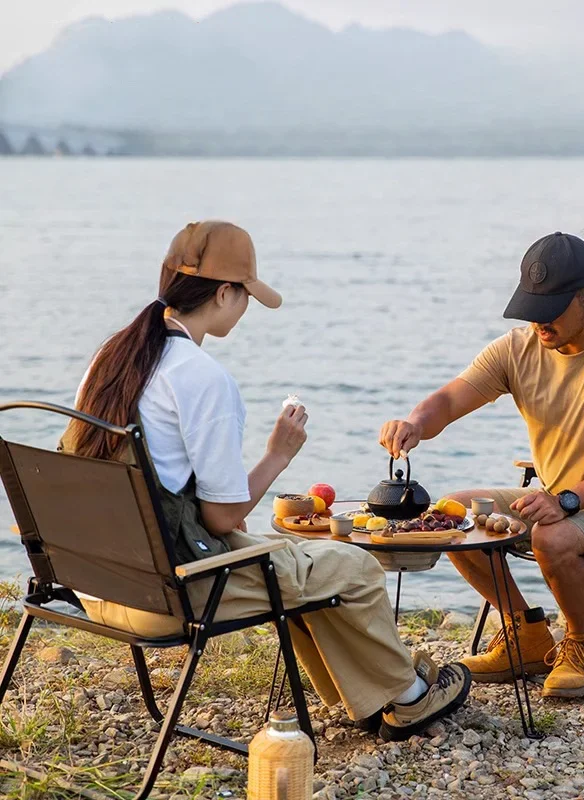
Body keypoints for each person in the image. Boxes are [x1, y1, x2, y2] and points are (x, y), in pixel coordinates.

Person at [61, 220, 471, 740]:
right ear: (225, 293)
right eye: (247, 295)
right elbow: (223, 516)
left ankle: (367, 694)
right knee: (357, 567)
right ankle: (409, 699)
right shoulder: (202, 377)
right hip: (168, 598)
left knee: (302, 561)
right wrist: (278, 454)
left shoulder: (112, 360)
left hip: (99, 582)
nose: (247, 307)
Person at [379, 231, 584, 698]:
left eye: (551, 309)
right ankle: (527, 635)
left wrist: (566, 500)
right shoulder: (517, 348)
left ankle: (580, 645)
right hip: (557, 496)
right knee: (453, 513)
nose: (539, 322)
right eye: (531, 308)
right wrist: (415, 422)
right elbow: (451, 398)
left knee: (551, 535)